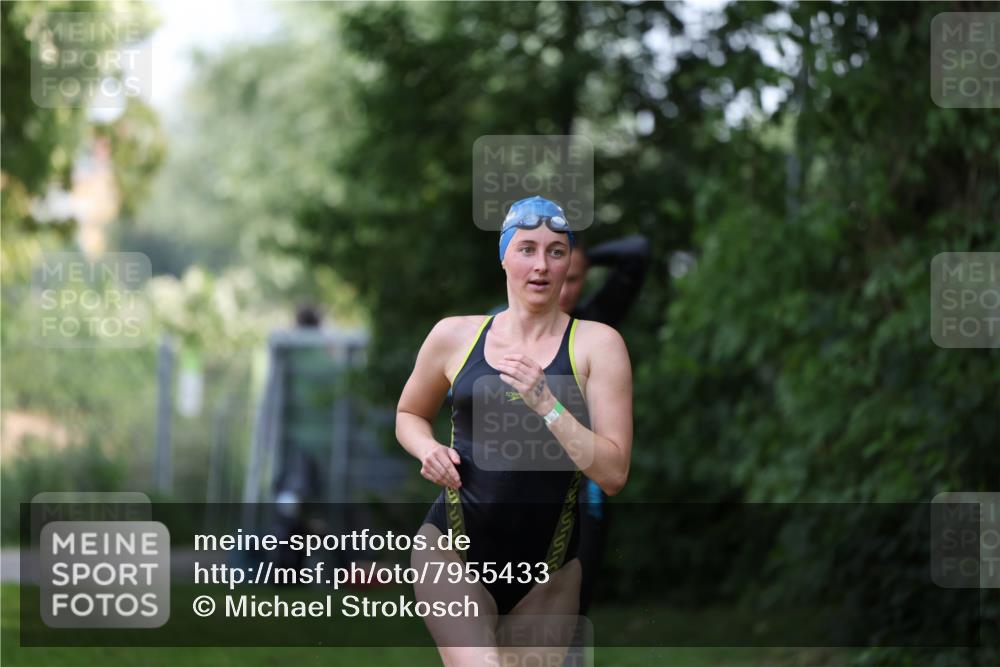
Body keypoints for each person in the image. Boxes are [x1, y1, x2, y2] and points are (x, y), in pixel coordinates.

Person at [396, 196, 633, 666]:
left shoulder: (598, 345)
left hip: (550, 575)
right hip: (452, 552)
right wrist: (427, 449)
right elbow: (408, 413)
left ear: (570, 265)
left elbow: (613, 473)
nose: (541, 265)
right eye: (526, 249)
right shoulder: (455, 336)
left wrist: (546, 403)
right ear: (504, 255)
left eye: (556, 252)